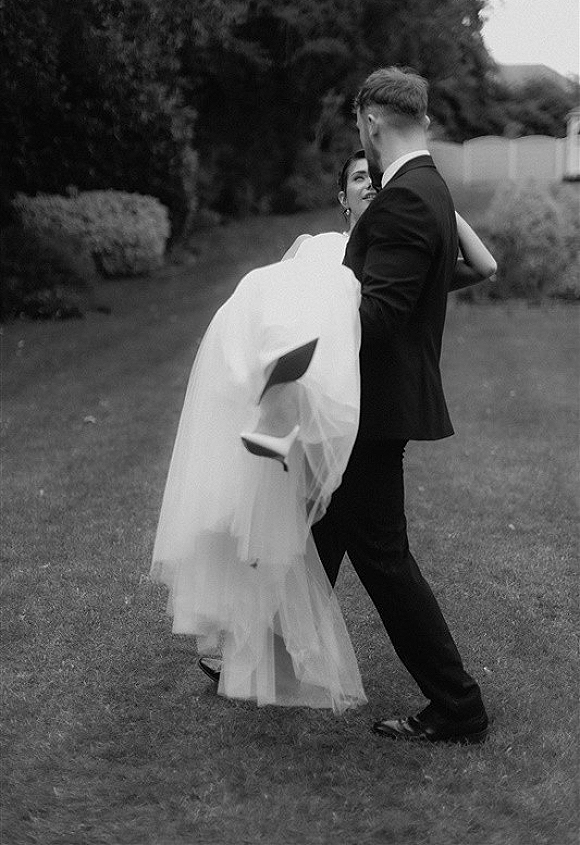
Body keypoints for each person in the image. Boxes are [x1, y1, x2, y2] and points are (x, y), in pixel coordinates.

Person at [151, 142, 495, 718]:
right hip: (330, 424)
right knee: (320, 539)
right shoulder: (320, 252)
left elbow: (484, 267)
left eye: (378, 177)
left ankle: (456, 700)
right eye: (359, 179)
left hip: (369, 422)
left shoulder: (403, 258)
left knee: (362, 549)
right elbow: (279, 329)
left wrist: (437, 203)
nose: (371, 184)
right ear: (342, 199)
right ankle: (254, 659)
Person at [311, 66, 491, 744]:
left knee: (383, 559)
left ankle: (458, 704)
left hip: (372, 409)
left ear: (372, 122)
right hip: (374, 403)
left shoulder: (406, 199)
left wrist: (303, 322)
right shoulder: (429, 190)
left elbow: (380, 316)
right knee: (323, 524)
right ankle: (262, 650)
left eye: (361, 127)